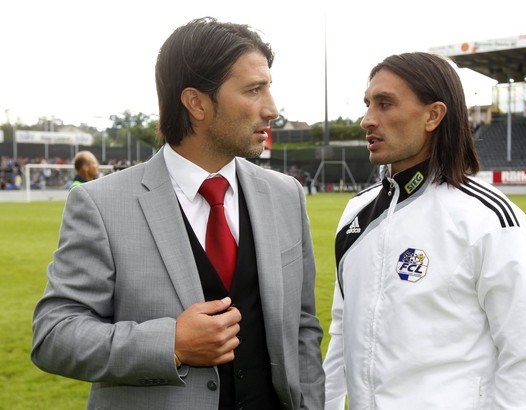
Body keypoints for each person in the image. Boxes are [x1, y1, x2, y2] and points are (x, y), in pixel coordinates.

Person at [32, 17, 324, 410]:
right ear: (196, 103)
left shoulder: (286, 194)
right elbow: (54, 335)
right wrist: (171, 344)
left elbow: (303, 329)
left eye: (269, 88)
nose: (271, 109)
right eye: (255, 90)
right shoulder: (102, 204)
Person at [323, 52, 526, 409]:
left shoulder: (488, 218)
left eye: (385, 104)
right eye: (368, 103)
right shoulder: (357, 213)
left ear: (433, 115)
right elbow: (342, 332)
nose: (367, 119)